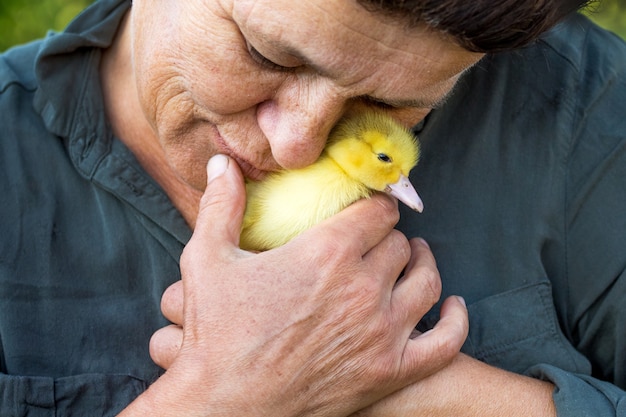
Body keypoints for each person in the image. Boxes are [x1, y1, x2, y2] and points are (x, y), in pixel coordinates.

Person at [1, 0, 624, 415]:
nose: (296, 146)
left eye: (397, 102)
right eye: (266, 55)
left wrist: (424, 390)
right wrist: (222, 396)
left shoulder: (592, 114)